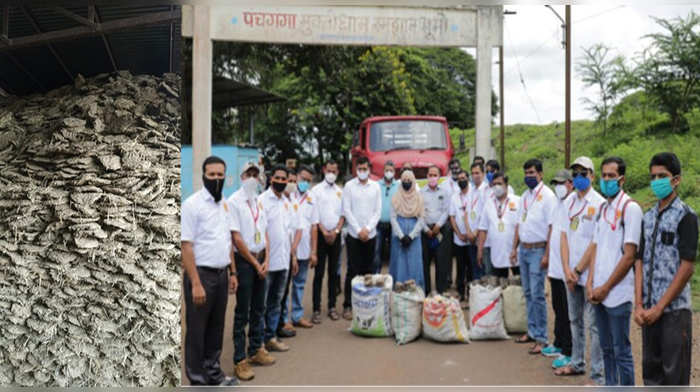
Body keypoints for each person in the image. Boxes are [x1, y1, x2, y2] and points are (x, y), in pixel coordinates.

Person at [636, 152, 697, 386]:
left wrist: (660, 307)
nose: (656, 181)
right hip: (649, 311)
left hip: (673, 313)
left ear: (676, 180)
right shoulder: (648, 218)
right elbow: (639, 261)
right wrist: (640, 305)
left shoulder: (686, 216)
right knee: (651, 374)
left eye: (663, 176)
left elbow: (687, 267)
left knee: (675, 376)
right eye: (653, 177)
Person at [584, 156, 642, 386]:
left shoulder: (631, 209)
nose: (606, 180)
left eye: (611, 175)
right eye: (603, 175)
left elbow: (629, 256)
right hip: (598, 293)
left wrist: (605, 287)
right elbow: (596, 247)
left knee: (621, 351)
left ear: (621, 179)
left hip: (616, 294)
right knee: (606, 348)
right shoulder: (603, 209)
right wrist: (590, 283)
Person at [182, 156, 239, 386]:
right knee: (197, 329)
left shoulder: (225, 203)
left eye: (220, 175)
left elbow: (228, 241)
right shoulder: (192, 205)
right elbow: (185, 246)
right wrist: (195, 282)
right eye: (212, 175)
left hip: (221, 274)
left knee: (216, 327)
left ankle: (213, 374)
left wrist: (233, 272)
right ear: (204, 176)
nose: (216, 179)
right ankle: (197, 380)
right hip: (201, 275)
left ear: (226, 176)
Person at [554, 157, 605, 385]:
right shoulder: (568, 202)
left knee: (594, 324)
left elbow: (596, 242)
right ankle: (576, 362)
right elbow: (563, 236)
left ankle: (597, 374)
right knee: (574, 319)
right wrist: (566, 269)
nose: (578, 177)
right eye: (575, 173)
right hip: (571, 274)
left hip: (590, 272)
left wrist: (577, 269)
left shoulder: (600, 203)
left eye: (583, 173)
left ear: (592, 176)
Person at [229, 161, 273, 381]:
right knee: (242, 312)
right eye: (249, 174)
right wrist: (255, 264)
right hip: (245, 262)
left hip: (260, 259)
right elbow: (236, 238)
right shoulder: (234, 202)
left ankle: (256, 349)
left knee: (259, 307)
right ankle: (240, 359)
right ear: (241, 176)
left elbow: (264, 232)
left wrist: (266, 260)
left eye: (256, 174)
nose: (253, 178)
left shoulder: (258, 201)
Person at [510, 158, 556, 355]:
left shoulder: (548, 196)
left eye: (532, 173)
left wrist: (547, 254)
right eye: (526, 173)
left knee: (538, 295)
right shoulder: (525, 197)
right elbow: (519, 224)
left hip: (539, 250)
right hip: (524, 250)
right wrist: (514, 248)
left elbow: (552, 227)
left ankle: (542, 338)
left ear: (541, 174)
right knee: (527, 292)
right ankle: (531, 330)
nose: (529, 176)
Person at [259, 165, 295, 354]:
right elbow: (261, 231)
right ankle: (259, 343)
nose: (281, 181)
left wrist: (293, 258)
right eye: (278, 178)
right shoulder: (262, 201)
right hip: (268, 263)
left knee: (276, 302)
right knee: (262, 304)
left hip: (283, 261)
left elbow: (289, 232)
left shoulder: (286, 202)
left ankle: (271, 337)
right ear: (271, 178)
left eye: (284, 179)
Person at [341, 156, 382, 320]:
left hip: (370, 235)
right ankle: (348, 305)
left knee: (369, 270)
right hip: (353, 235)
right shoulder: (349, 186)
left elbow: (377, 211)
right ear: (356, 169)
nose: (362, 171)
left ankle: (366, 303)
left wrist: (368, 229)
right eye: (360, 169)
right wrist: (359, 230)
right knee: (352, 270)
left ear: (369, 169)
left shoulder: (375, 187)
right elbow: (347, 210)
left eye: (365, 169)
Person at [543, 169, 574, 368]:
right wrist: (547, 255)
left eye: (562, 183)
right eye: (556, 183)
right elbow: (552, 229)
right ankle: (558, 342)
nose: (558, 187)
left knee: (567, 310)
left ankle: (569, 350)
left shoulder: (574, 205)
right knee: (557, 307)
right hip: (554, 266)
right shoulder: (557, 203)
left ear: (571, 183)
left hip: (566, 267)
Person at [280, 165, 317, 331]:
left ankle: (296, 315)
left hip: (303, 248)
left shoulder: (312, 198)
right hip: (286, 249)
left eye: (308, 181)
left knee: (300, 283)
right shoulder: (288, 195)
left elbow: (314, 226)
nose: (304, 183)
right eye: (303, 179)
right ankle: (283, 318)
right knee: (284, 285)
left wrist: (313, 251)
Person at [310, 160, 345, 324]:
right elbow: (314, 216)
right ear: (324, 170)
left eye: (334, 171)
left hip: (336, 236)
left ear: (337, 172)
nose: (331, 173)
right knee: (318, 274)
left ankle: (332, 306)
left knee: (333, 273)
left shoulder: (340, 191)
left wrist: (336, 231)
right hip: (321, 235)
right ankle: (316, 309)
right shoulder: (316, 191)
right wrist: (324, 232)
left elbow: (343, 214)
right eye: (329, 170)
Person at [477, 172, 520, 278]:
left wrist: (514, 248)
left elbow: (520, 226)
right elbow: (483, 229)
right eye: (494, 184)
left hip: (515, 251)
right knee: (500, 284)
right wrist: (480, 250)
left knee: (519, 285)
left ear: (506, 185)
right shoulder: (489, 203)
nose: (497, 187)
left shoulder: (517, 201)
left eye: (499, 183)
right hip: (497, 252)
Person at [389, 169, 425, 288]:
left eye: (409, 180)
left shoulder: (419, 197)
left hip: (414, 236)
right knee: (399, 264)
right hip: (398, 235)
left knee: (414, 264)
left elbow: (421, 219)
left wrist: (411, 236)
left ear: (413, 181)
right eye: (404, 180)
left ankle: (416, 293)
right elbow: (393, 218)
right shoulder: (396, 197)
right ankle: (398, 294)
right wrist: (401, 236)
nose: (407, 182)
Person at [420, 165, 452, 294]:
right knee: (425, 261)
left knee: (441, 260)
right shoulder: (421, 192)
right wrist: (425, 228)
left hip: (440, 230)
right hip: (425, 231)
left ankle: (441, 289)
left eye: (435, 175)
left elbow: (446, 211)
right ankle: (426, 290)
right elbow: (419, 212)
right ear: (427, 176)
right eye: (430, 175)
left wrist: (439, 225)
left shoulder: (444, 192)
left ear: (439, 177)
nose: (432, 178)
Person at [449, 169, 478, 302]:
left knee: (472, 267)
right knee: (460, 268)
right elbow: (452, 217)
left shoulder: (475, 194)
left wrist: (472, 233)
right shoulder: (455, 196)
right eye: (459, 178)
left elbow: (479, 216)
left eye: (463, 178)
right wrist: (459, 234)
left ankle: (472, 293)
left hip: (473, 239)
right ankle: (461, 293)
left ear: (468, 178)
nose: (461, 180)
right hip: (459, 239)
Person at [278, 169, 299, 338]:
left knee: (283, 293)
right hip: (274, 258)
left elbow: (295, 230)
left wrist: (293, 255)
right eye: (287, 180)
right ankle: (270, 331)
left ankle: (280, 325)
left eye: (293, 180)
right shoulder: (270, 200)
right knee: (272, 297)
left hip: (288, 254)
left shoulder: (291, 201)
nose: (290, 184)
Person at [375, 161, 399, 273]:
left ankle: (393, 278)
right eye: (387, 170)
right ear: (383, 171)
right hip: (379, 224)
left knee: (394, 253)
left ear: (394, 172)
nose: (389, 172)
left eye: (391, 170)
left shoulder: (399, 186)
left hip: (394, 225)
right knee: (377, 252)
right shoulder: (376, 185)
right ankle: (376, 275)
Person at [469, 162, 488, 276]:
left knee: (483, 267)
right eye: (473, 173)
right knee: (474, 268)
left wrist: (476, 233)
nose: (475, 175)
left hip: (481, 236)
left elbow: (484, 214)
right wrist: (469, 232)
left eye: (477, 173)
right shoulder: (472, 190)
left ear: (483, 174)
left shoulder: (486, 190)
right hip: (471, 237)